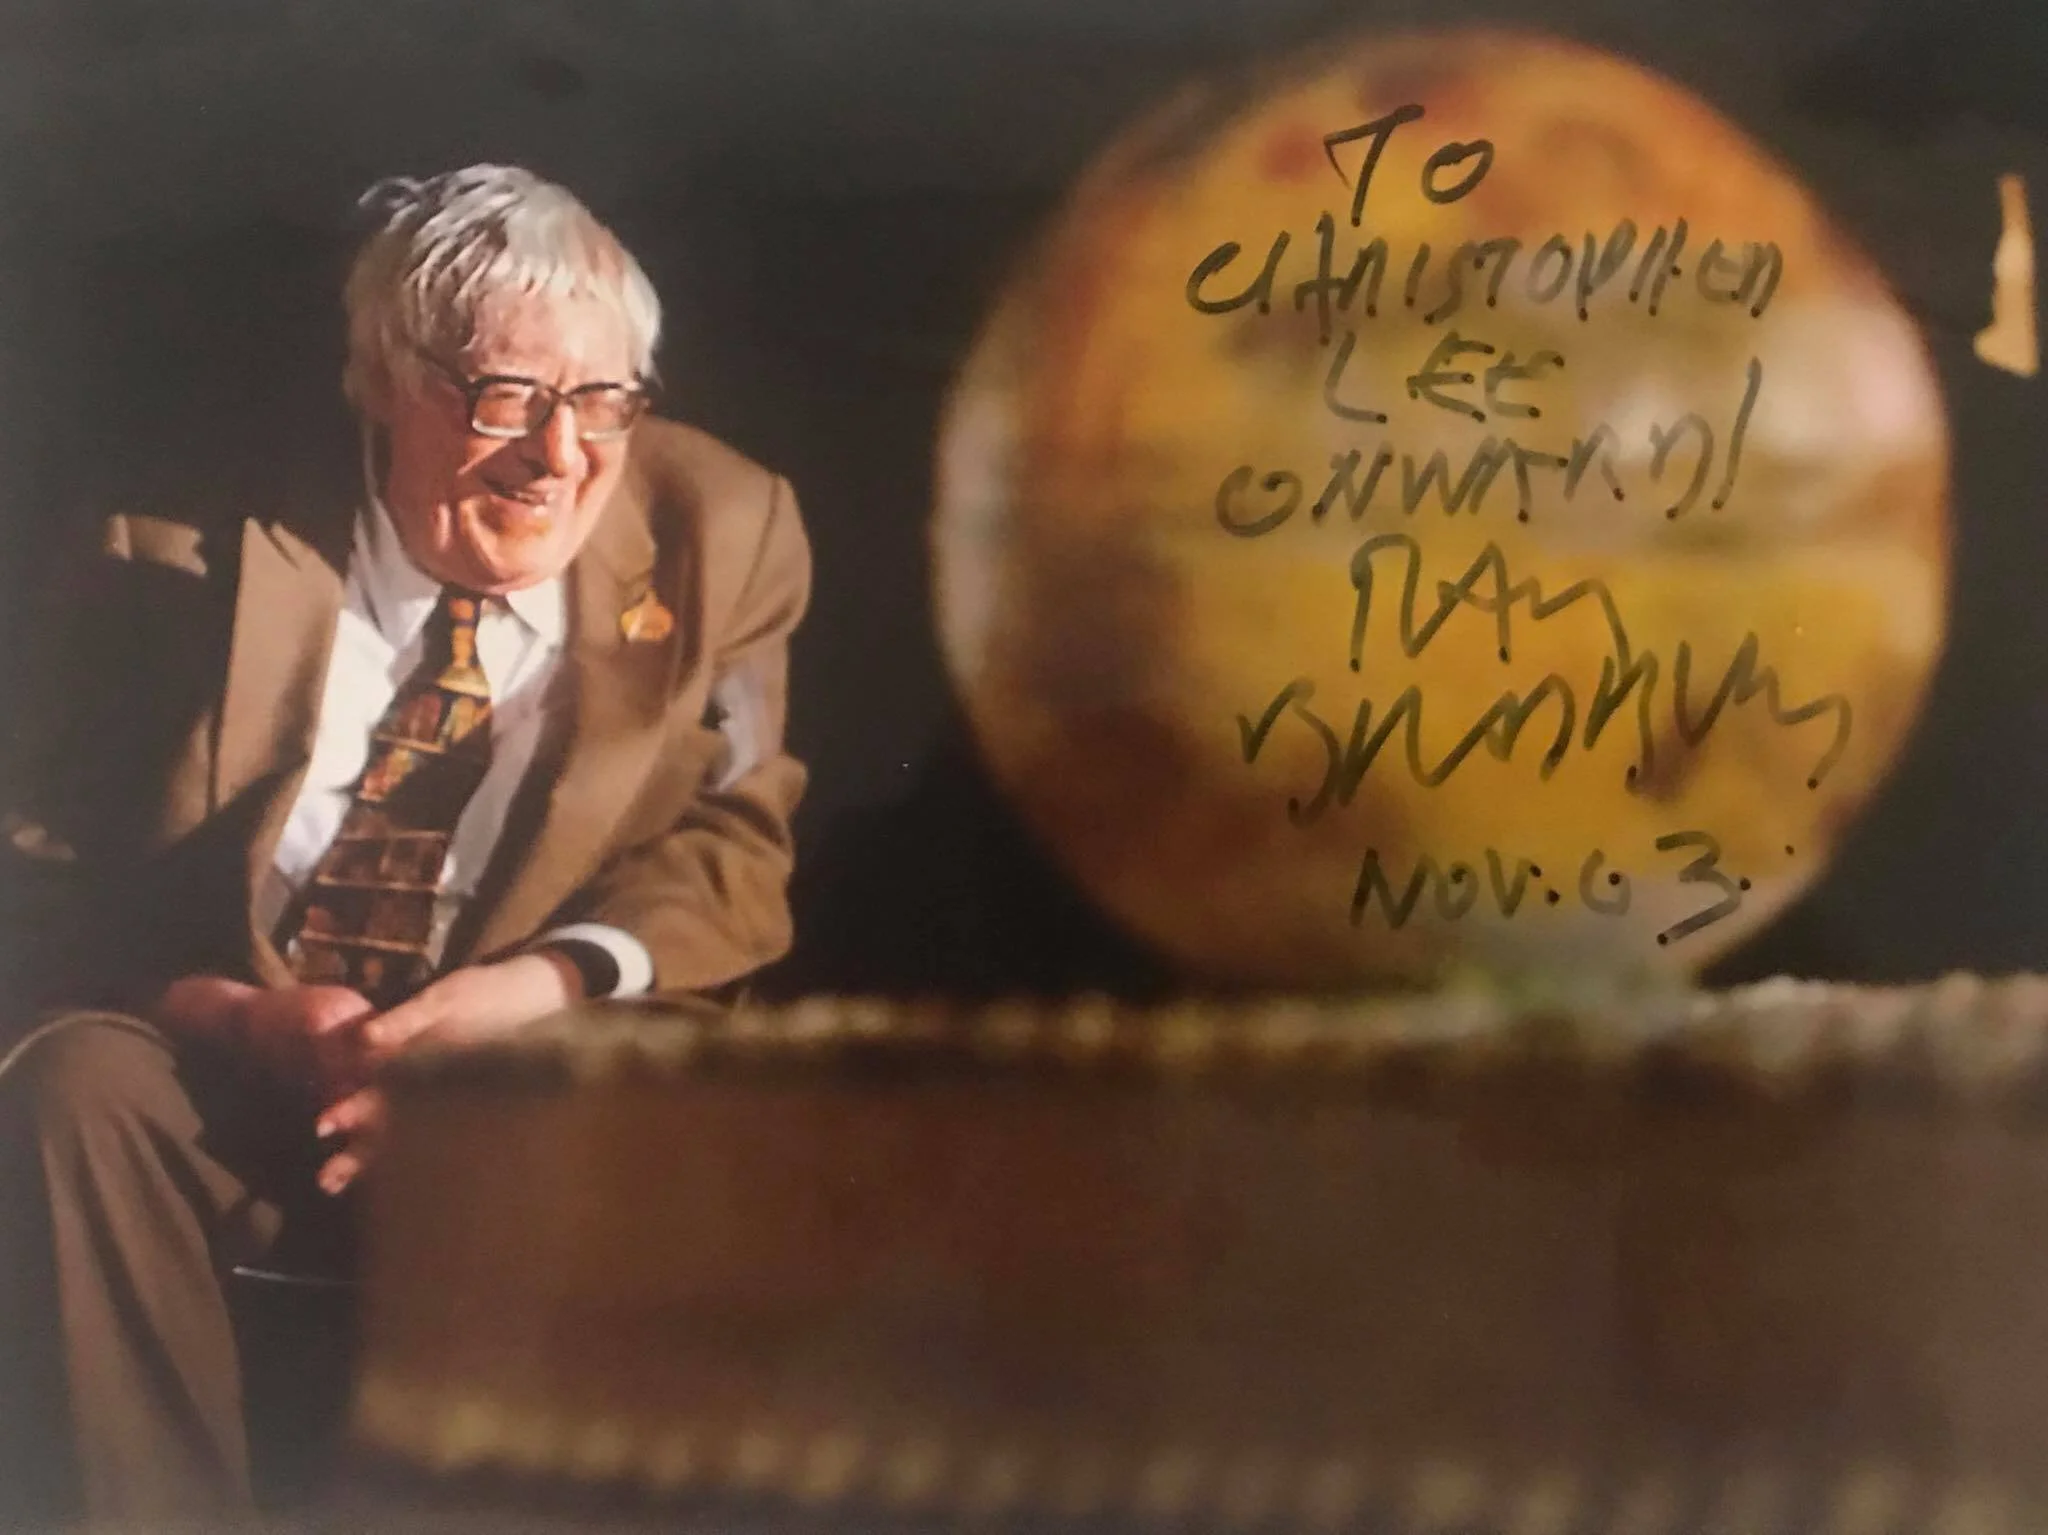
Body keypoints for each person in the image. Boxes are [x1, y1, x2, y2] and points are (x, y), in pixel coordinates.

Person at [0, 164, 811, 1523]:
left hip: (526, 1068)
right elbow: (42, 865)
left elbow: (737, 834)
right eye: (506, 396)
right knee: (75, 1088)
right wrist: (240, 1013)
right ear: (380, 377)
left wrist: (531, 996)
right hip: (230, 1058)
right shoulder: (174, 542)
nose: (560, 457)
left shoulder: (723, 528)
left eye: (604, 399)